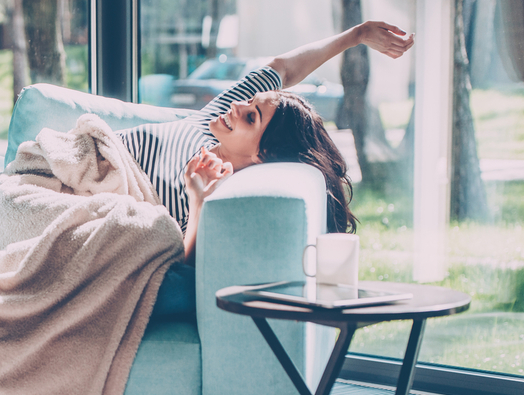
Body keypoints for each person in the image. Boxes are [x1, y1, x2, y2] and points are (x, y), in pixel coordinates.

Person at [115, 20, 414, 266]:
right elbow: (282, 69)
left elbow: (180, 269)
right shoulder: (213, 125)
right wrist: (355, 35)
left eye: (251, 117)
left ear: (264, 154)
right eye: (249, 101)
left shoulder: (211, 191)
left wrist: (198, 202)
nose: (236, 107)